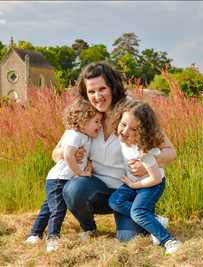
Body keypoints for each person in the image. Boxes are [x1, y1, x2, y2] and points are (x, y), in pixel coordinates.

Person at [52, 61, 177, 242]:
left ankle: (147, 217)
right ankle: (89, 229)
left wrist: (148, 162)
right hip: (95, 190)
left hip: (128, 192)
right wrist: (67, 153)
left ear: (113, 86)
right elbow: (55, 153)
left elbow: (170, 152)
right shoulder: (84, 115)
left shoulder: (132, 111)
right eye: (91, 92)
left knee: (130, 240)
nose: (97, 96)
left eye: (102, 89)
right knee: (73, 189)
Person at [25, 98, 102, 252]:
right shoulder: (74, 134)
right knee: (58, 209)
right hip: (59, 179)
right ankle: (53, 239)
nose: (99, 125)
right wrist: (80, 173)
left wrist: (88, 167)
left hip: (65, 179)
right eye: (96, 121)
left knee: (48, 207)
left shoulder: (85, 136)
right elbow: (67, 154)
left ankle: (34, 234)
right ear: (82, 122)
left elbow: (88, 157)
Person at [108, 99, 182, 254]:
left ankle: (169, 241)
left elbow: (155, 178)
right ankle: (155, 218)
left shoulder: (145, 151)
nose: (126, 131)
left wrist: (136, 185)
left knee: (138, 212)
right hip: (134, 183)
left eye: (134, 129)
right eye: (123, 124)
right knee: (115, 201)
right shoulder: (122, 140)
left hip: (151, 184)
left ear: (143, 132)